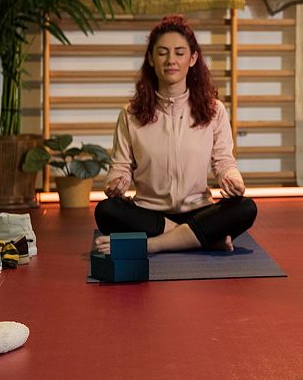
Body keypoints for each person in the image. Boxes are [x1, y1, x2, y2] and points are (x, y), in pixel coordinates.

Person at [94, 15, 257, 254]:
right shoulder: (130, 114)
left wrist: (233, 179)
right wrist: (115, 183)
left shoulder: (214, 110)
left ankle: (152, 244)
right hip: (149, 213)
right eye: (162, 53)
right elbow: (120, 166)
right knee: (106, 210)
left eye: (179, 53)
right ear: (151, 59)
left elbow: (224, 162)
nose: (171, 60)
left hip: (198, 210)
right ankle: (202, 238)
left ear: (192, 59)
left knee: (246, 207)